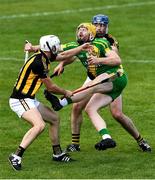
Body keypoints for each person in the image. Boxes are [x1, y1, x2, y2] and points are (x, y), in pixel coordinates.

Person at [54, 15, 151, 153]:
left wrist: (98, 60)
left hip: (111, 76)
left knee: (117, 114)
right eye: (97, 25)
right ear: (92, 26)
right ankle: (75, 144)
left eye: (103, 25)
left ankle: (140, 140)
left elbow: (116, 59)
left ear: (107, 27)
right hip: (93, 77)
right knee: (77, 107)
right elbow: (76, 53)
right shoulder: (87, 37)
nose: (100, 28)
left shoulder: (109, 40)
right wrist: (63, 63)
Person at [8, 35, 91, 171]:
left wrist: (81, 48)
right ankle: (16, 156)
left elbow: (64, 56)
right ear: (50, 48)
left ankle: (57, 154)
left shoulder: (45, 56)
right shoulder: (39, 63)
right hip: (20, 100)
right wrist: (66, 92)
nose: (57, 49)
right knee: (39, 125)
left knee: (54, 118)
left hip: (29, 99)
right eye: (56, 46)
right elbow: (51, 88)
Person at [44, 23, 128, 151]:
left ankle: (60, 103)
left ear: (91, 34)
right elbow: (57, 51)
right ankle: (107, 138)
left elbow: (117, 61)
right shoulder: (77, 46)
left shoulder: (102, 43)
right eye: (79, 30)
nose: (80, 32)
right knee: (90, 109)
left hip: (116, 76)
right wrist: (34, 48)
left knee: (92, 88)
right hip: (104, 81)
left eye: (84, 30)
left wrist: (98, 60)